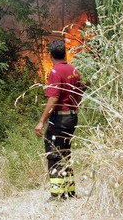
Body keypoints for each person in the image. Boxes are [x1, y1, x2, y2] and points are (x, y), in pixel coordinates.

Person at [35, 39, 83, 200]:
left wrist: (42, 121)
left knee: (54, 154)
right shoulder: (74, 70)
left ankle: (56, 194)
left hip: (60, 119)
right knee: (65, 153)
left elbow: (53, 99)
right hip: (72, 117)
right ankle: (70, 191)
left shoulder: (55, 72)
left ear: (50, 56)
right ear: (65, 53)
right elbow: (80, 93)